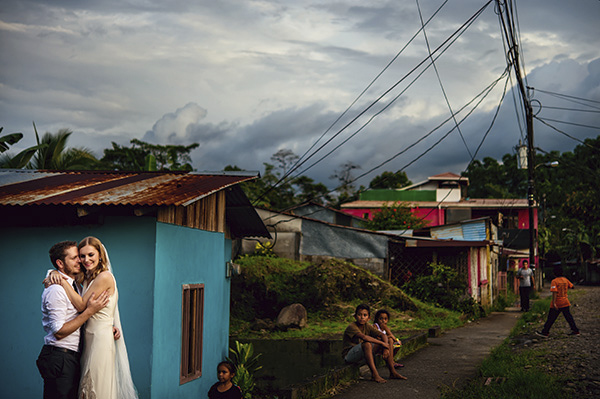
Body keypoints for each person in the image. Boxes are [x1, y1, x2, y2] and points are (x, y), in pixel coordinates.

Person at [49, 236, 138, 399]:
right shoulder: (89, 278)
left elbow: (83, 305)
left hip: (100, 340)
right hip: (89, 339)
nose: (86, 260)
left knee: (95, 388)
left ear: (100, 255)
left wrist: (62, 281)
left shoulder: (104, 277)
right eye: (82, 256)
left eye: (91, 255)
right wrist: (54, 272)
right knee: (85, 388)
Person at [37, 241, 110, 399]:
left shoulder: (76, 285)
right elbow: (59, 332)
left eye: (80, 257)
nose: (80, 261)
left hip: (70, 357)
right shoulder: (56, 289)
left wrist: (105, 325)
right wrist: (90, 311)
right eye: (75, 258)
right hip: (59, 357)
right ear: (60, 264)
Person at [341, 304, 407, 383]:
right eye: (359, 315)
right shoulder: (352, 327)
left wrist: (386, 347)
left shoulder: (367, 326)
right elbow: (364, 337)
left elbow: (382, 335)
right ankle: (374, 375)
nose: (362, 317)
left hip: (364, 354)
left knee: (389, 340)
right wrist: (382, 344)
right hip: (350, 356)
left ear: (368, 318)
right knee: (367, 344)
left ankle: (392, 372)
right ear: (355, 316)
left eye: (364, 315)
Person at [536, 266, 580, 337]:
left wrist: (554, 303)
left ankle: (545, 332)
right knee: (569, 317)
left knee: (551, 318)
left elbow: (554, 292)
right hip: (565, 302)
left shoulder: (554, 281)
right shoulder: (565, 280)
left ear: (554, 273)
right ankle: (575, 330)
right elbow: (572, 286)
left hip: (558, 302)